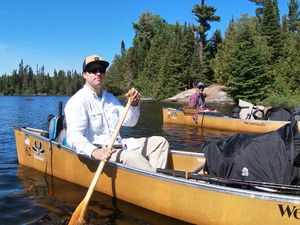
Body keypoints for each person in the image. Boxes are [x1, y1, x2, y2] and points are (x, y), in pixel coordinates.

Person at [64, 54, 169, 172]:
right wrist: (94, 151)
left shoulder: (111, 99)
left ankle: (152, 181)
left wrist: (133, 105)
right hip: (102, 152)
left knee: (160, 143)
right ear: (84, 74)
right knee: (133, 157)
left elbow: (131, 122)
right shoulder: (77, 101)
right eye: (93, 70)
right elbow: (73, 137)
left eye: (102, 70)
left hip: (121, 145)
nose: (98, 73)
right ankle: (157, 181)